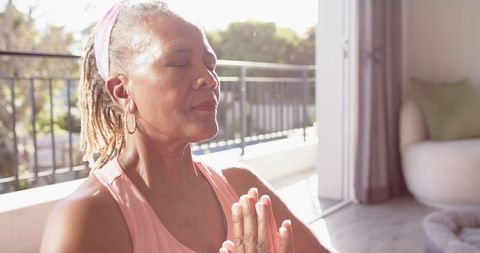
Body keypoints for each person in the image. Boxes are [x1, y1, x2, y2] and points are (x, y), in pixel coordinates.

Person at [40, 1, 331, 252]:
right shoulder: (88, 219)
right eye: (180, 63)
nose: (209, 79)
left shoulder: (242, 188)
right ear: (122, 92)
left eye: (210, 64)